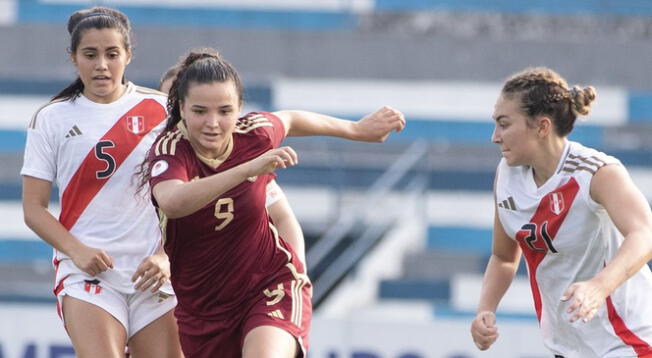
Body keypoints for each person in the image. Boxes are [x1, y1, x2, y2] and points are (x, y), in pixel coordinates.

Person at [140, 49, 405, 358]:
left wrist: (355, 130)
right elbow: (172, 202)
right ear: (182, 108)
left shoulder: (255, 134)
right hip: (203, 310)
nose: (212, 123)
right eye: (200, 111)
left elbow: (290, 119)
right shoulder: (169, 151)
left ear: (239, 107)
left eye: (225, 111)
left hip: (268, 285)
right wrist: (248, 169)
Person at [21, 6, 183, 358]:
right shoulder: (51, 118)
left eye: (112, 54)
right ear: (73, 58)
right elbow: (33, 209)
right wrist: (76, 250)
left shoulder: (162, 111)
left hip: (151, 275)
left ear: (128, 55)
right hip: (86, 274)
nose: (102, 65)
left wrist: (164, 256)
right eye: (90, 55)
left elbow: (186, 195)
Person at [470, 67, 652, 357]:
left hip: (628, 339)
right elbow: (504, 256)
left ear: (542, 126)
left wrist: (598, 288)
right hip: (567, 346)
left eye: (504, 124)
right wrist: (485, 310)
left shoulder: (596, 173)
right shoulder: (506, 175)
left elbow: (644, 235)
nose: (495, 136)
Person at [159, 64, 307, 266]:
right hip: (163, 282)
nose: (211, 121)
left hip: (232, 283)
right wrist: (160, 256)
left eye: (220, 110)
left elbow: (282, 217)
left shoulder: (244, 150)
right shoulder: (157, 158)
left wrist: (297, 271)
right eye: (170, 105)